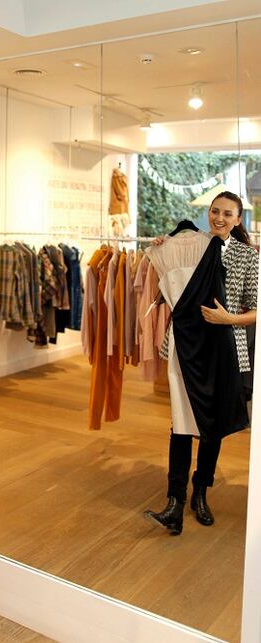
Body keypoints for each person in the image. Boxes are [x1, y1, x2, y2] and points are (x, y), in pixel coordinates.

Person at [144, 191, 258, 535]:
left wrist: (229, 320)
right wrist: (161, 251)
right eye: (215, 211)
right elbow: (164, 296)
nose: (219, 218)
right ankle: (175, 500)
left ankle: (201, 493)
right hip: (186, 347)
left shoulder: (247, 257)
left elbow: (257, 310)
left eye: (227, 213)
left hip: (224, 347)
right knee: (180, 422)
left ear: (238, 219)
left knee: (213, 425)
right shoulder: (190, 245)